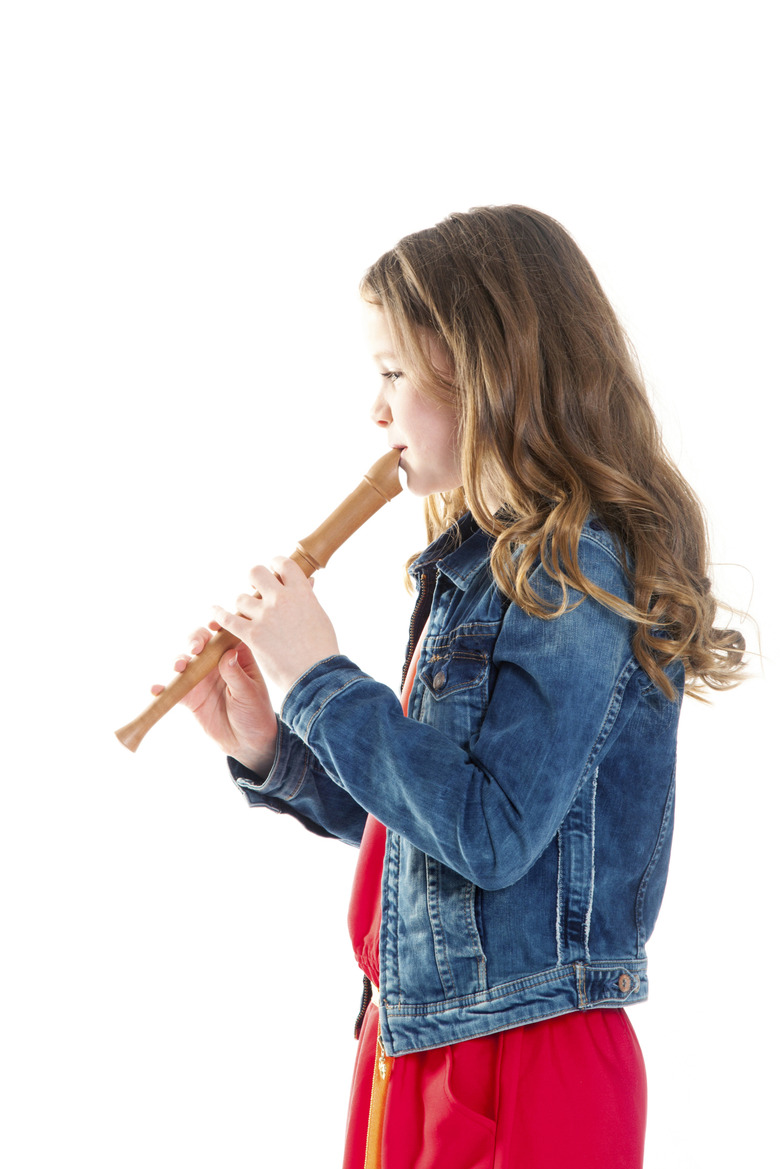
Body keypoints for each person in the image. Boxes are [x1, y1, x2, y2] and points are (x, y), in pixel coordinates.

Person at [157, 206, 745, 1167]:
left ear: (491, 376)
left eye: (393, 373)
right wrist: (275, 741)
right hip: (416, 1040)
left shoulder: (574, 569)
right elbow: (435, 838)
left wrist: (319, 675)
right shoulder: (480, 567)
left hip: (523, 1054)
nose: (375, 411)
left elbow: (492, 830)